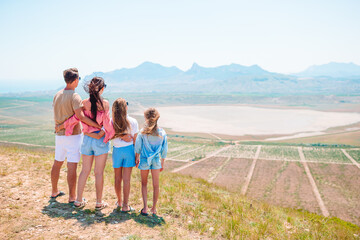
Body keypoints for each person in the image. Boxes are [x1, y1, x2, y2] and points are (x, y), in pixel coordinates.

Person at [56, 77, 113, 210]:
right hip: (100, 141)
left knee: (84, 171)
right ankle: (99, 203)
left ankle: (78, 200)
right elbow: (107, 123)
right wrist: (104, 133)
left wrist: (62, 126)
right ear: (102, 88)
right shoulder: (105, 104)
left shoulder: (84, 103)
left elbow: (77, 118)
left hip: (86, 140)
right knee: (98, 173)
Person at [51, 68, 101, 203]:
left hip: (59, 135)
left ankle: (54, 191)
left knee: (57, 163)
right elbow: (81, 117)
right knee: (71, 165)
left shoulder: (57, 94)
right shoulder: (75, 96)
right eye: (78, 79)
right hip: (73, 135)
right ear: (74, 80)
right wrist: (96, 125)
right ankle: (72, 197)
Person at [87, 98, 138, 212]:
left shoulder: (110, 122)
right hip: (129, 151)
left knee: (117, 178)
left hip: (117, 152)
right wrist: (137, 155)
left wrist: (85, 132)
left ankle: (119, 202)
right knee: (127, 179)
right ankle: (126, 205)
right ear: (125, 108)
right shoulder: (133, 121)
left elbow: (105, 135)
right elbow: (135, 141)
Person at [135, 108, 168, 216]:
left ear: (145, 118)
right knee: (156, 185)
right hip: (156, 161)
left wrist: (137, 158)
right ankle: (153, 208)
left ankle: (145, 208)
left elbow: (138, 147)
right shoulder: (162, 132)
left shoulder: (142, 132)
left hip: (144, 160)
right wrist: (162, 163)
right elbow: (164, 149)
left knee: (144, 184)